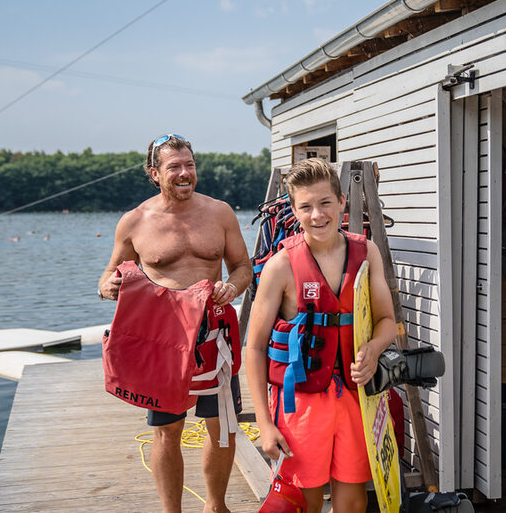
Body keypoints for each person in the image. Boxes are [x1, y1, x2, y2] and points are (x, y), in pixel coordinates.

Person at [98, 134, 252, 513]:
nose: (185, 174)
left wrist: (231, 287)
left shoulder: (220, 213)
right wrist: (108, 286)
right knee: (167, 432)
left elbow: (243, 268)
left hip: (213, 335)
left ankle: (215, 506)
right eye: (174, 167)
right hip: (162, 340)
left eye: (190, 165)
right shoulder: (134, 222)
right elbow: (107, 275)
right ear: (154, 173)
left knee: (222, 427)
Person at [246, 158, 396, 513]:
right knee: (305, 502)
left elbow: (387, 320)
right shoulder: (280, 266)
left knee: (353, 502)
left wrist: (374, 349)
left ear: (342, 202)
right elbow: (253, 347)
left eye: (325, 203)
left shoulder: (366, 252)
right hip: (300, 403)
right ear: (293, 210)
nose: (317, 215)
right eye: (306, 206)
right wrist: (264, 426)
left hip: (356, 396)